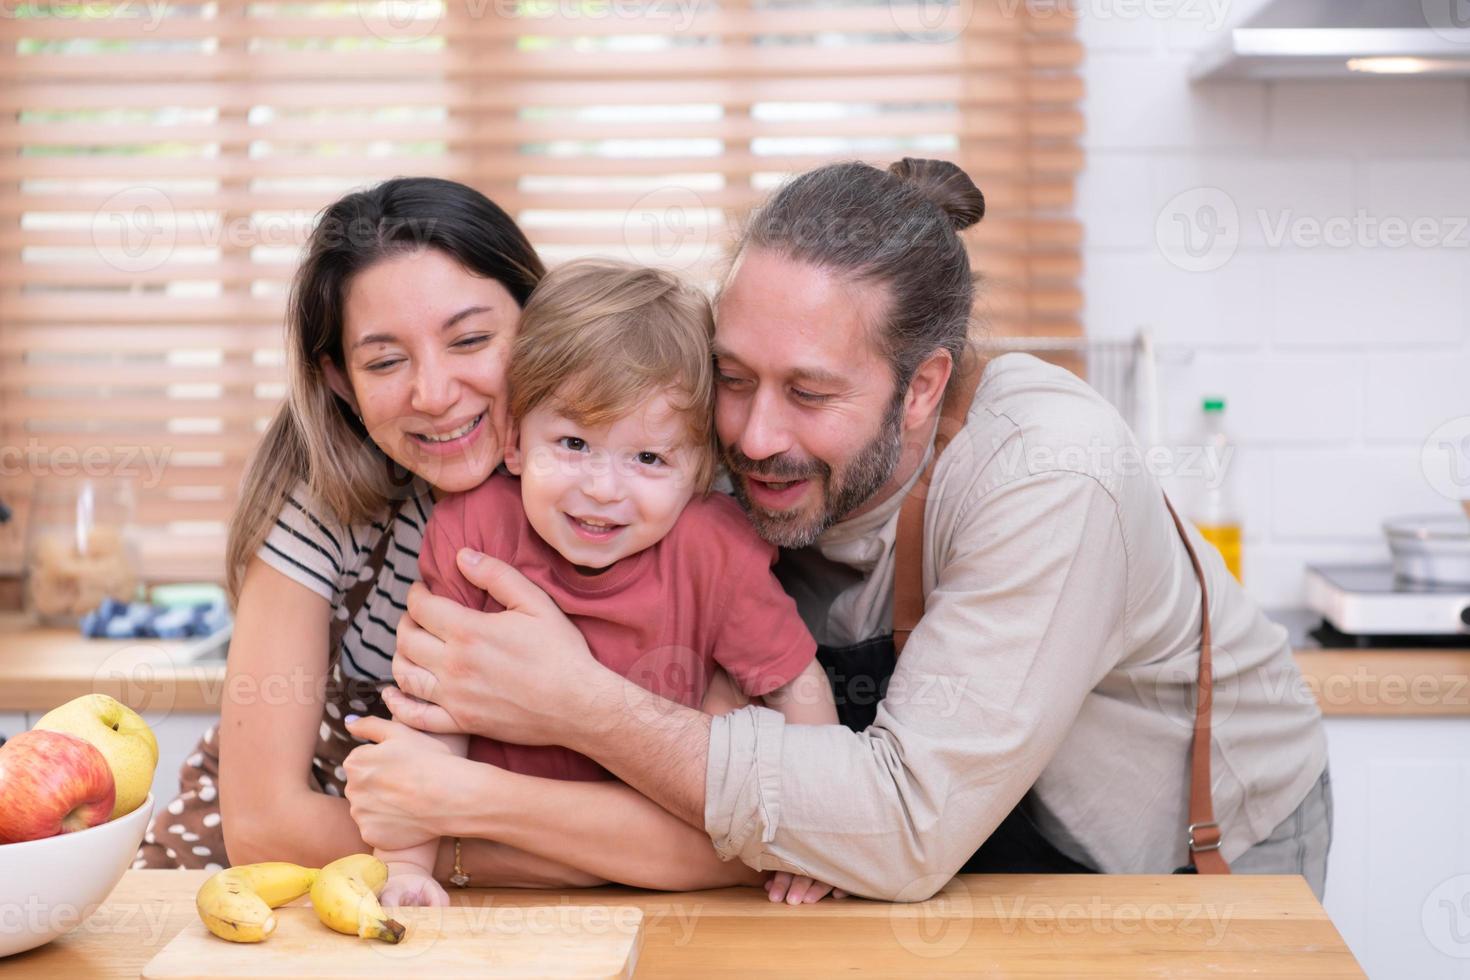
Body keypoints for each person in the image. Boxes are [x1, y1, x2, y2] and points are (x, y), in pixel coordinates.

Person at [379, 158, 1333, 903]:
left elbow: (905, 827)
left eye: (809, 393)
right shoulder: (694, 449)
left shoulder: (1048, 476)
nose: (754, 434)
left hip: (1180, 858)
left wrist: (574, 705)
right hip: (944, 857)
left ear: (921, 389)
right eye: (737, 377)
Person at [142, 178, 781, 893]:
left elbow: (722, 835)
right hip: (266, 886)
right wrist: (553, 853)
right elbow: (264, 826)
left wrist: (474, 808)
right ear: (343, 383)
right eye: (385, 361)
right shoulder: (322, 511)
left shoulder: (656, 492)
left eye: (471, 340)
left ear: (538, 327)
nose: (435, 393)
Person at [373, 259, 838, 907]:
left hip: (678, 879)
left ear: (700, 470)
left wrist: (818, 830)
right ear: (513, 441)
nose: (601, 488)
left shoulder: (716, 549)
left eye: (648, 457)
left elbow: (796, 686)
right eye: (571, 443)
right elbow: (433, 713)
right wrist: (405, 866)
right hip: (510, 878)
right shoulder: (473, 530)